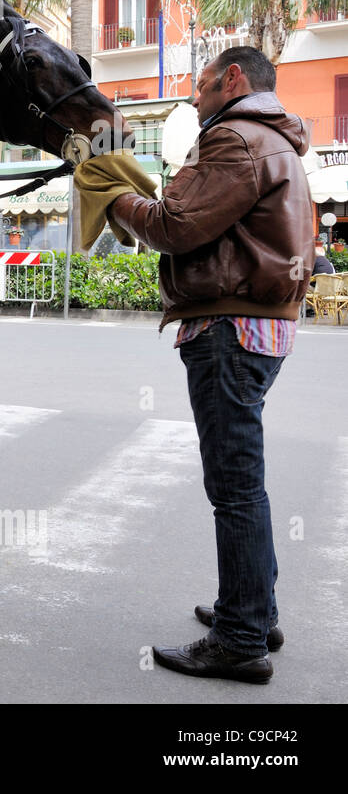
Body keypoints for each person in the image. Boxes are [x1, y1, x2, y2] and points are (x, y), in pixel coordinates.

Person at [85, 46, 314, 685]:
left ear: (233, 80)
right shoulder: (275, 142)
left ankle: (240, 639)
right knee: (247, 479)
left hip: (227, 328)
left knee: (234, 485)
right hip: (261, 327)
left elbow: (177, 225)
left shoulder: (235, 141)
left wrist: (109, 196)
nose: (192, 97)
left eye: (202, 84)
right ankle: (254, 610)